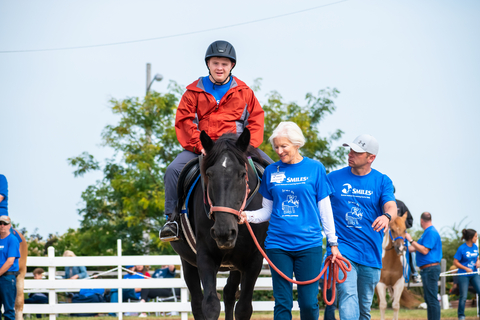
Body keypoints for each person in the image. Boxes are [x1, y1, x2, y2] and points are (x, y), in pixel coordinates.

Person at [160, 40, 273, 241]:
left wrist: (245, 147)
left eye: (224, 64)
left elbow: (256, 120)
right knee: (173, 170)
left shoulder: (245, 92)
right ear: (208, 65)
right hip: (204, 147)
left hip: (237, 148)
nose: (219, 68)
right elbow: (184, 122)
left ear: (232, 66)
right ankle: (172, 220)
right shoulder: (192, 92)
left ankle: (278, 219)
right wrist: (201, 145)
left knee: (274, 170)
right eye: (215, 63)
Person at [240, 121, 340, 320]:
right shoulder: (271, 171)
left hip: (308, 245)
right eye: (276, 147)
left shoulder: (315, 168)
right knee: (282, 302)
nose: (279, 151)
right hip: (278, 245)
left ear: (297, 144)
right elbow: (266, 211)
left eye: (283, 146)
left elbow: (325, 209)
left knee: (309, 303)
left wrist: (333, 242)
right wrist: (247, 216)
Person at [328, 134, 397, 320]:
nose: (350, 154)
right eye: (350, 150)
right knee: (347, 296)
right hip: (342, 250)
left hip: (370, 254)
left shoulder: (382, 181)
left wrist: (386, 216)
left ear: (371, 158)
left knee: (364, 309)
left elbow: (391, 206)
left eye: (357, 152)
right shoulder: (333, 178)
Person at [405, 212, 442, 320]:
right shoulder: (426, 233)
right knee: (429, 298)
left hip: (430, 269)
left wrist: (410, 240)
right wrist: (402, 248)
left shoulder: (431, 232)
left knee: (432, 299)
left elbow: (424, 250)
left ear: (421, 221)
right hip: (427, 270)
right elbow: (416, 248)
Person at [394, 187, 420, 283]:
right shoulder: (381, 204)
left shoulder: (400, 204)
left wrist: (401, 228)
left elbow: (410, 220)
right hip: (386, 234)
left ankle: (414, 274)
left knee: (410, 251)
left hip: (399, 235)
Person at [453, 228, 480, 320]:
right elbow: (455, 262)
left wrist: (478, 261)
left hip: (474, 274)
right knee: (463, 296)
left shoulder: (475, 247)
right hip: (463, 275)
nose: (477, 238)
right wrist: (466, 268)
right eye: (476, 236)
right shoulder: (462, 248)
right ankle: (461, 315)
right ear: (470, 237)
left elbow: (477, 257)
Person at [0, 215, 20, 320]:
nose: (2, 226)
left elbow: (10, 261)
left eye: (5, 223)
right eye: (0, 223)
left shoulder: (12, 239)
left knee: (8, 311)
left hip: (7, 278)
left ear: (9, 226)